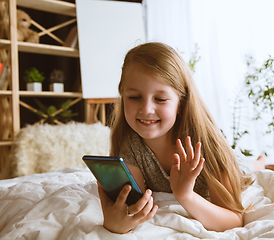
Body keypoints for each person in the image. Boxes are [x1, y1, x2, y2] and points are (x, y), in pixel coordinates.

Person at [98, 42, 263, 234]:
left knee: (248, 168)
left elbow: (233, 220)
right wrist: (114, 224)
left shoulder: (205, 144)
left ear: (181, 104)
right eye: (134, 97)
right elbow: (133, 204)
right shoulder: (129, 142)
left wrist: (186, 195)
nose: (146, 109)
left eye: (160, 99)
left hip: (232, 161)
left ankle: (260, 162)